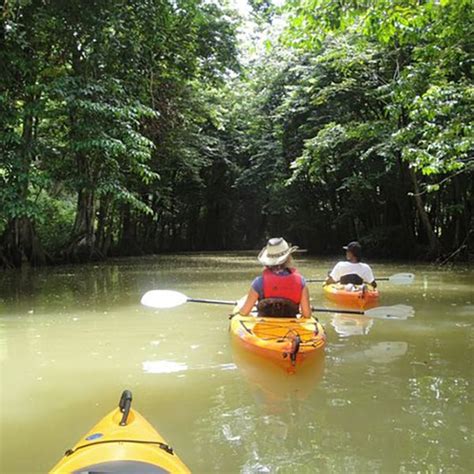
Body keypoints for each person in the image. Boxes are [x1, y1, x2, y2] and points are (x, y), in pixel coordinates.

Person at [238, 237, 312, 318]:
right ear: (288, 257)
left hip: (264, 327)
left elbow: (244, 312)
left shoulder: (258, 282)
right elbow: (307, 315)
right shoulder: (301, 282)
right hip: (291, 327)